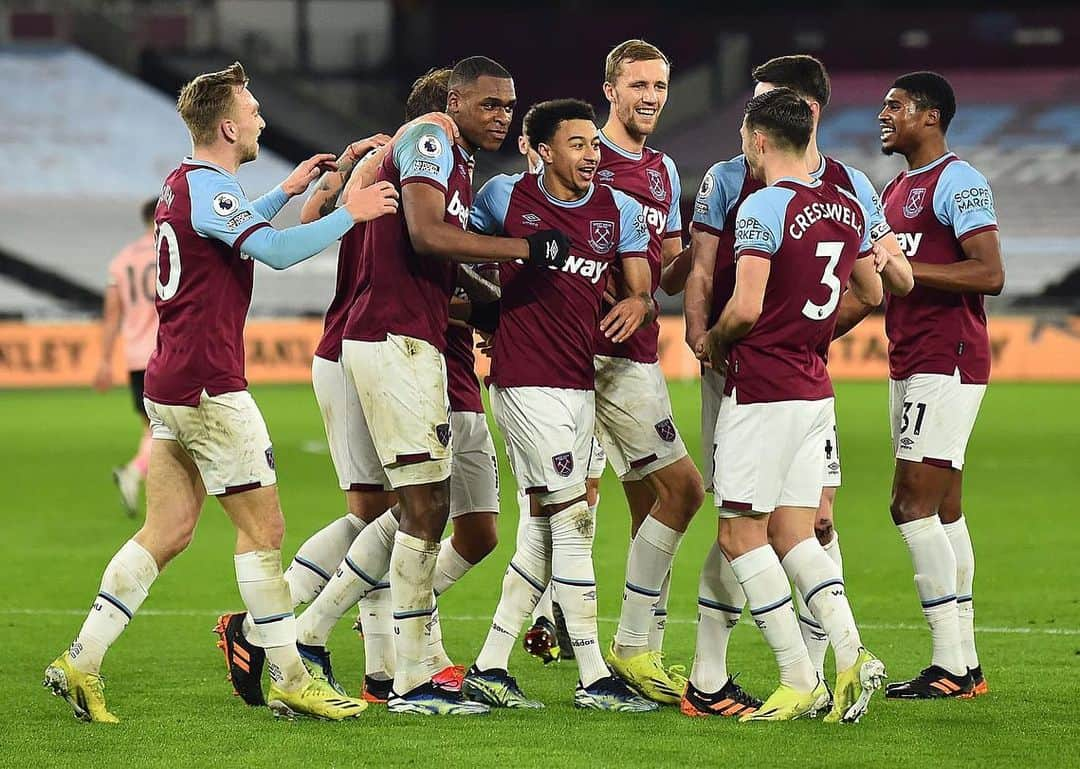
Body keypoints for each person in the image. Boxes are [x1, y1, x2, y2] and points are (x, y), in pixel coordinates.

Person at [43, 61, 399, 722]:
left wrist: (287, 190)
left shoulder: (187, 183)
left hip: (169, 381)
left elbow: (226, 230)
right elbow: (279, 253)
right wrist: (349, 212)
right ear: (230, 125)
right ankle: (290, 673)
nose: (263, 117)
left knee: (168, 529)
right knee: (265, 530)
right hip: (210, 386)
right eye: (255, 108)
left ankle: (81, 658)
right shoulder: (211, 189)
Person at [289, 56, 569, 716]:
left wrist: (496, 303)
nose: (500, 116)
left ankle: (405, 665)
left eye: (509, 107)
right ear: (456, 98)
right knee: (414, 508)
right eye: (489, 104)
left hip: (405, 339)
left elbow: (436, 259)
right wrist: (528, 252)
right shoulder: (429, 137)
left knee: (423, 507)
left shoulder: (456, 159)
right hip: (392, 338)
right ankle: (400, 673)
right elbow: (425, 234)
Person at [682, 55, 912, 714]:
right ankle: (852, 651)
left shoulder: (760, 205)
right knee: (794, 530)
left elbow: (745, 305)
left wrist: (715, 340)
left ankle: (796, 675)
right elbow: (875, 287)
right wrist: (809, 332)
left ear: (760, 138)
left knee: (737, 533)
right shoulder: (844, 200)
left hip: (760, 386)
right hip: (814, 384)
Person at [461, 98, 657, 713]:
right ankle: (595, 675)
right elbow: (461, 256)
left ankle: (491, 665)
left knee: (545, 532)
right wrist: (483, 315)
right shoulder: (501, 198)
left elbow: (640, 286)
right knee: (572, 519)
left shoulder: (617, 208)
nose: (593, 154)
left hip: (580, 381)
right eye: (577, 144)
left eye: (595, 144)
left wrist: (641, 304)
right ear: (541, 150)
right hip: (524, 380)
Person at [586, 39, 706, 706]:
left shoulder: (660, 169)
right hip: (592, 356)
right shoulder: (586, 158)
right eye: (637, 85)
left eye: (659, 85)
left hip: (638, 349)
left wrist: (704, 244)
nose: (651, 96)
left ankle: (643, 651)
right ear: (611, 89)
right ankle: (629, 646)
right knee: (681, 491)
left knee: (647, 507)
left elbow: (659, 268)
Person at [877, 71, 1003, 700]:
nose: (883, 115)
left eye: (895, 107)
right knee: (945, 507)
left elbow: (989, 272)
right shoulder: (895, 188)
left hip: (946, 358)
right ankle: (966, 664)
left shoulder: (959, 181)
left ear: (929, 116)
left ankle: (950, 664)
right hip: (910, 357)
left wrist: (908, 268)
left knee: (911, 504)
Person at [94, 198, 161, 516]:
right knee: (166, 428)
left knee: (151, 426)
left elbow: (111, 316)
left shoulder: (121, 261)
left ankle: (142, 481)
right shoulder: (172, 251)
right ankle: (135, 472)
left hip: (136, 356)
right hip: (168, 352)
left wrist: (105, 360)